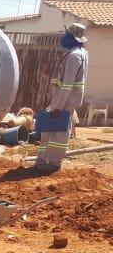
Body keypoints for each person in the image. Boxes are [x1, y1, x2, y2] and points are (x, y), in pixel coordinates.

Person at [35, 22, 89, 174]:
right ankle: (42, 159)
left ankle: (53, 162)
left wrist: (58, 106)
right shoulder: (79, 53)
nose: (63, 37)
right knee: (49, 129)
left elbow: (67, 84)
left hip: (64, 101)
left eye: (66, 35)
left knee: (59, 132)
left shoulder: (74, 56)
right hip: (64, 99)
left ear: (72, 37)